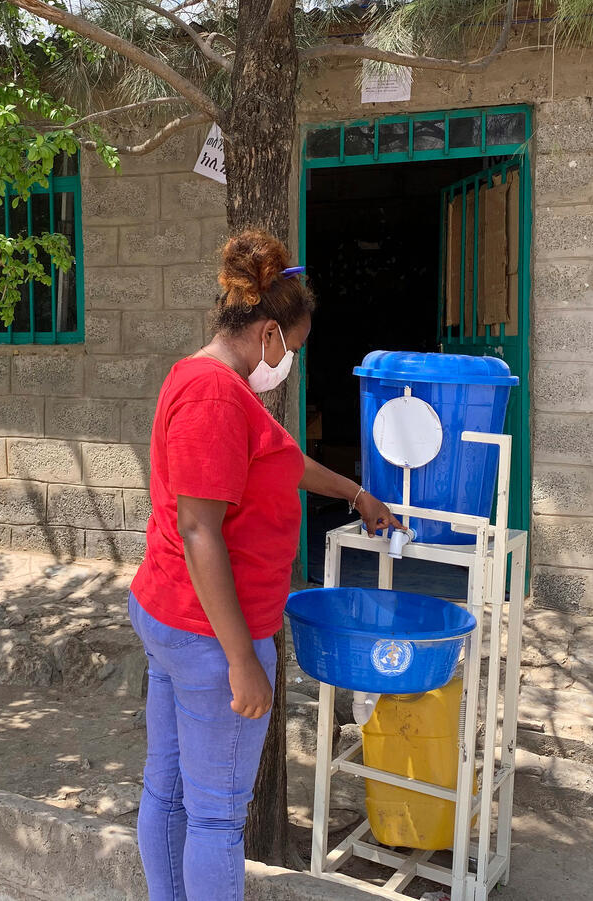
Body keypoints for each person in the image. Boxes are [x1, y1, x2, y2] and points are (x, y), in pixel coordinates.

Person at [129, 228, 401, 901]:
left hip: (174, 615)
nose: (290, 363)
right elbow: (199, 528)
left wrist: (357, 494)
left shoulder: (210, 382)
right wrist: (240, 660)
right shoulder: (215, 398)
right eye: (293, 349)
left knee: (168, 790)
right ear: (269, 333)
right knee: (216, 816)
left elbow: (283, 458)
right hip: (207, 633)